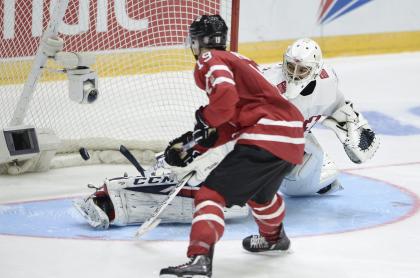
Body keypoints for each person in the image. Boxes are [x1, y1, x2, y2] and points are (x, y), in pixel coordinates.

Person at [73, 38, 380, 231]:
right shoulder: (268, 82)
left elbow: (342, 110)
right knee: (234, 200)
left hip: (298, 150)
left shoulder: (327, 83)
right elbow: (233, 122)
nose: (294, 74)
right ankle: (142, 189)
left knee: (306, 185)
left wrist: (356, 130)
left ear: (315, 70)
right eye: (290, 67)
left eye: (302, 71)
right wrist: (202, 146)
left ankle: (323, 179)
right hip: (264, 145)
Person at [158, 14, 305, 278]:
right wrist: (193, 147)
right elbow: (231, 122)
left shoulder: (209, 59)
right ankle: (273, 237)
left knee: (210, 196)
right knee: (260, 196)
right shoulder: (242, 60)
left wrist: (204, 119)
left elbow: (224, 100)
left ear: (197, 42)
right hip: (291, 137)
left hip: (266, 135)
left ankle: (200, 258)